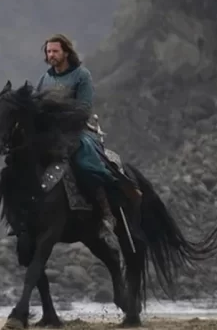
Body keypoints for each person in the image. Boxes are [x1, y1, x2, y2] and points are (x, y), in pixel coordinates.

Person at [34, 34, 141, 245]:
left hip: (76, 131)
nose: (51, 55)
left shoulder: (81, 76)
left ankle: (106, 213)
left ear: (66, 52)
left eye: (55, 51)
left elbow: (83, 108)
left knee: (85, 164)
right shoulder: (45, 79)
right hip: (49, 134)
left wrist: (58, 115)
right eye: (48, 52)